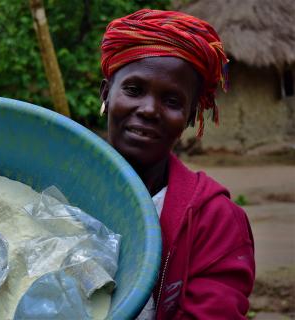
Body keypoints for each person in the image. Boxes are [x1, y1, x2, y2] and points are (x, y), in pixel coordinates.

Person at [99, 9, 255, 319]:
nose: (149, 110)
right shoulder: (50, 186)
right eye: (134, 89)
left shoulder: (214, 219)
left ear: (190, 117)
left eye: (172, 101)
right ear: (106, 93)